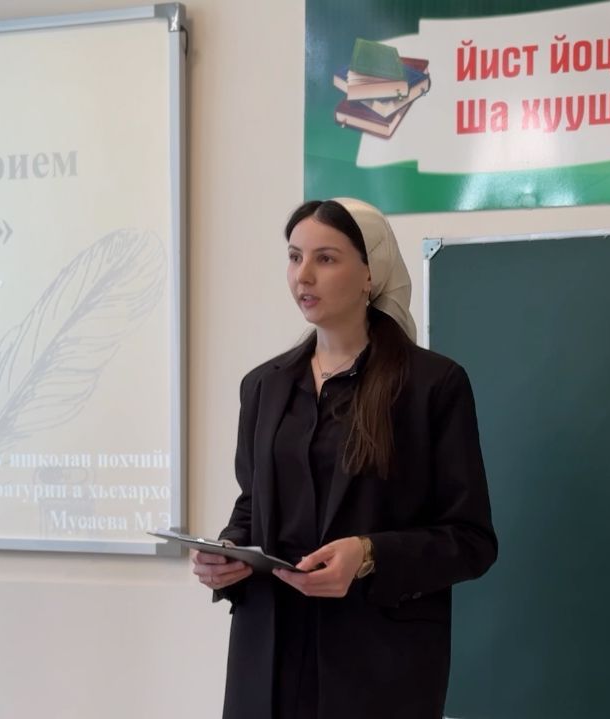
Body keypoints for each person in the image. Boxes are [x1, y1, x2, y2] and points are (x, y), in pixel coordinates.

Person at [190, 198, 498, 719]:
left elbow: (471, 541)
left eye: (326, 259)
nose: (303, 276)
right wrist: (228, 551)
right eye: (294, 257)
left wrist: (368, 554)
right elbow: (253, 506)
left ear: (369, 273)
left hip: (378, 670)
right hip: (268, 662)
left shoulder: (433, 385)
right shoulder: (263, 386)